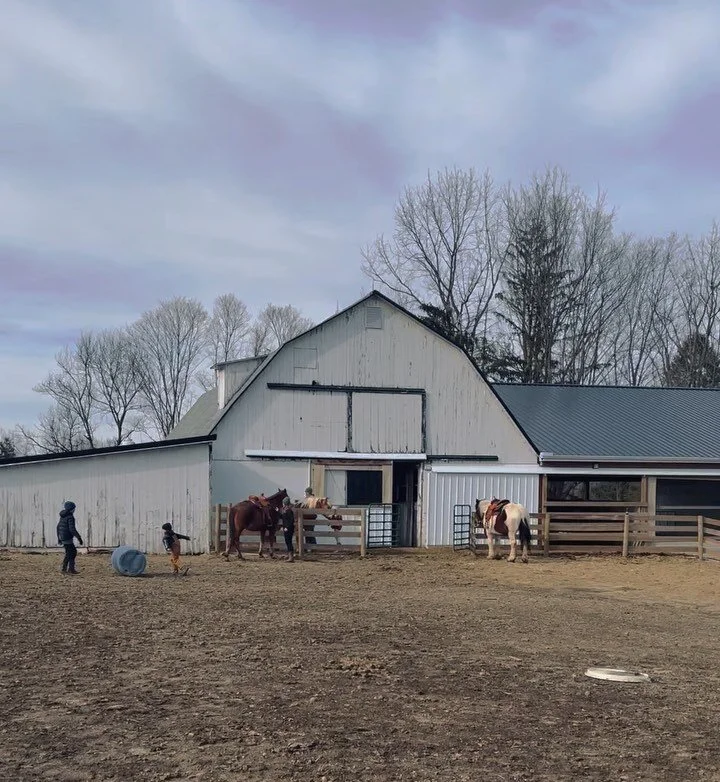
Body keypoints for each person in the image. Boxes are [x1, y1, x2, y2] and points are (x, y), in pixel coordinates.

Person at [57, 501, 83, 575]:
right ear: (71, 509)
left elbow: (58, 527)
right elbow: (72, 530)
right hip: (67, 538)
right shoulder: (70, 517)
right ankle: (65, 569)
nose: (74, 510)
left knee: (71, 552)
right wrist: (79, 538)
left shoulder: (63, 516)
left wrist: (59, 538)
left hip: (63, 537)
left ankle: (70, 569)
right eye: (74, 508)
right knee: (71, 553)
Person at [279, 497, 296, 562]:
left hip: (288, 529)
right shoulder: (286, 510)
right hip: (287, 528)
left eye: (283, 503)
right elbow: (283, 517)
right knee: (288, 542)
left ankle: (291, 558)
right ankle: (290, 556)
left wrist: (287, 527)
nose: (282, 504)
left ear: (285, 503)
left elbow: (291, 521)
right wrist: (277, 511)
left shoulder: (289, 510)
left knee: (289, 542)